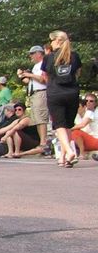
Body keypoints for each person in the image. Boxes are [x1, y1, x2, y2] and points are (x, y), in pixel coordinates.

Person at [43, 29, 82, 167]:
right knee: (68, 125)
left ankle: (70, 151)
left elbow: (45, 76)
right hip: (72, 92)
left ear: (57, 41)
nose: (51, 43)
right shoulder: (75, 56)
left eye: (52, 40)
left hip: (55, 93)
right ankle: (64, 158)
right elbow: (78, 73)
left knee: (59, 125)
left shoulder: (49, 57)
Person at [17, 45, 50, 153]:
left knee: (41, 119)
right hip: (34, 94)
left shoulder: (43, 64)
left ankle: (43, 142)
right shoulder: (36, 66)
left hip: (41, 93)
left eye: (32, 54)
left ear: (39, 54)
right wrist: (22, 76)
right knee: (37, 120)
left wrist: (29, 74)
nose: (30, 56)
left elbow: (42, 79)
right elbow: (29, 82)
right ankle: (42, 142)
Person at [69, 93, 98, 160]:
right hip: (87, 140)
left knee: (76, 132)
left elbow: (82, 125)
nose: (88, 102)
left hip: (95, 139)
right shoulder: (77, 116)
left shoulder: (90, 113)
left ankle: (82, 153)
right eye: (86, 101)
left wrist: (68, 129)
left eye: (91, 101)